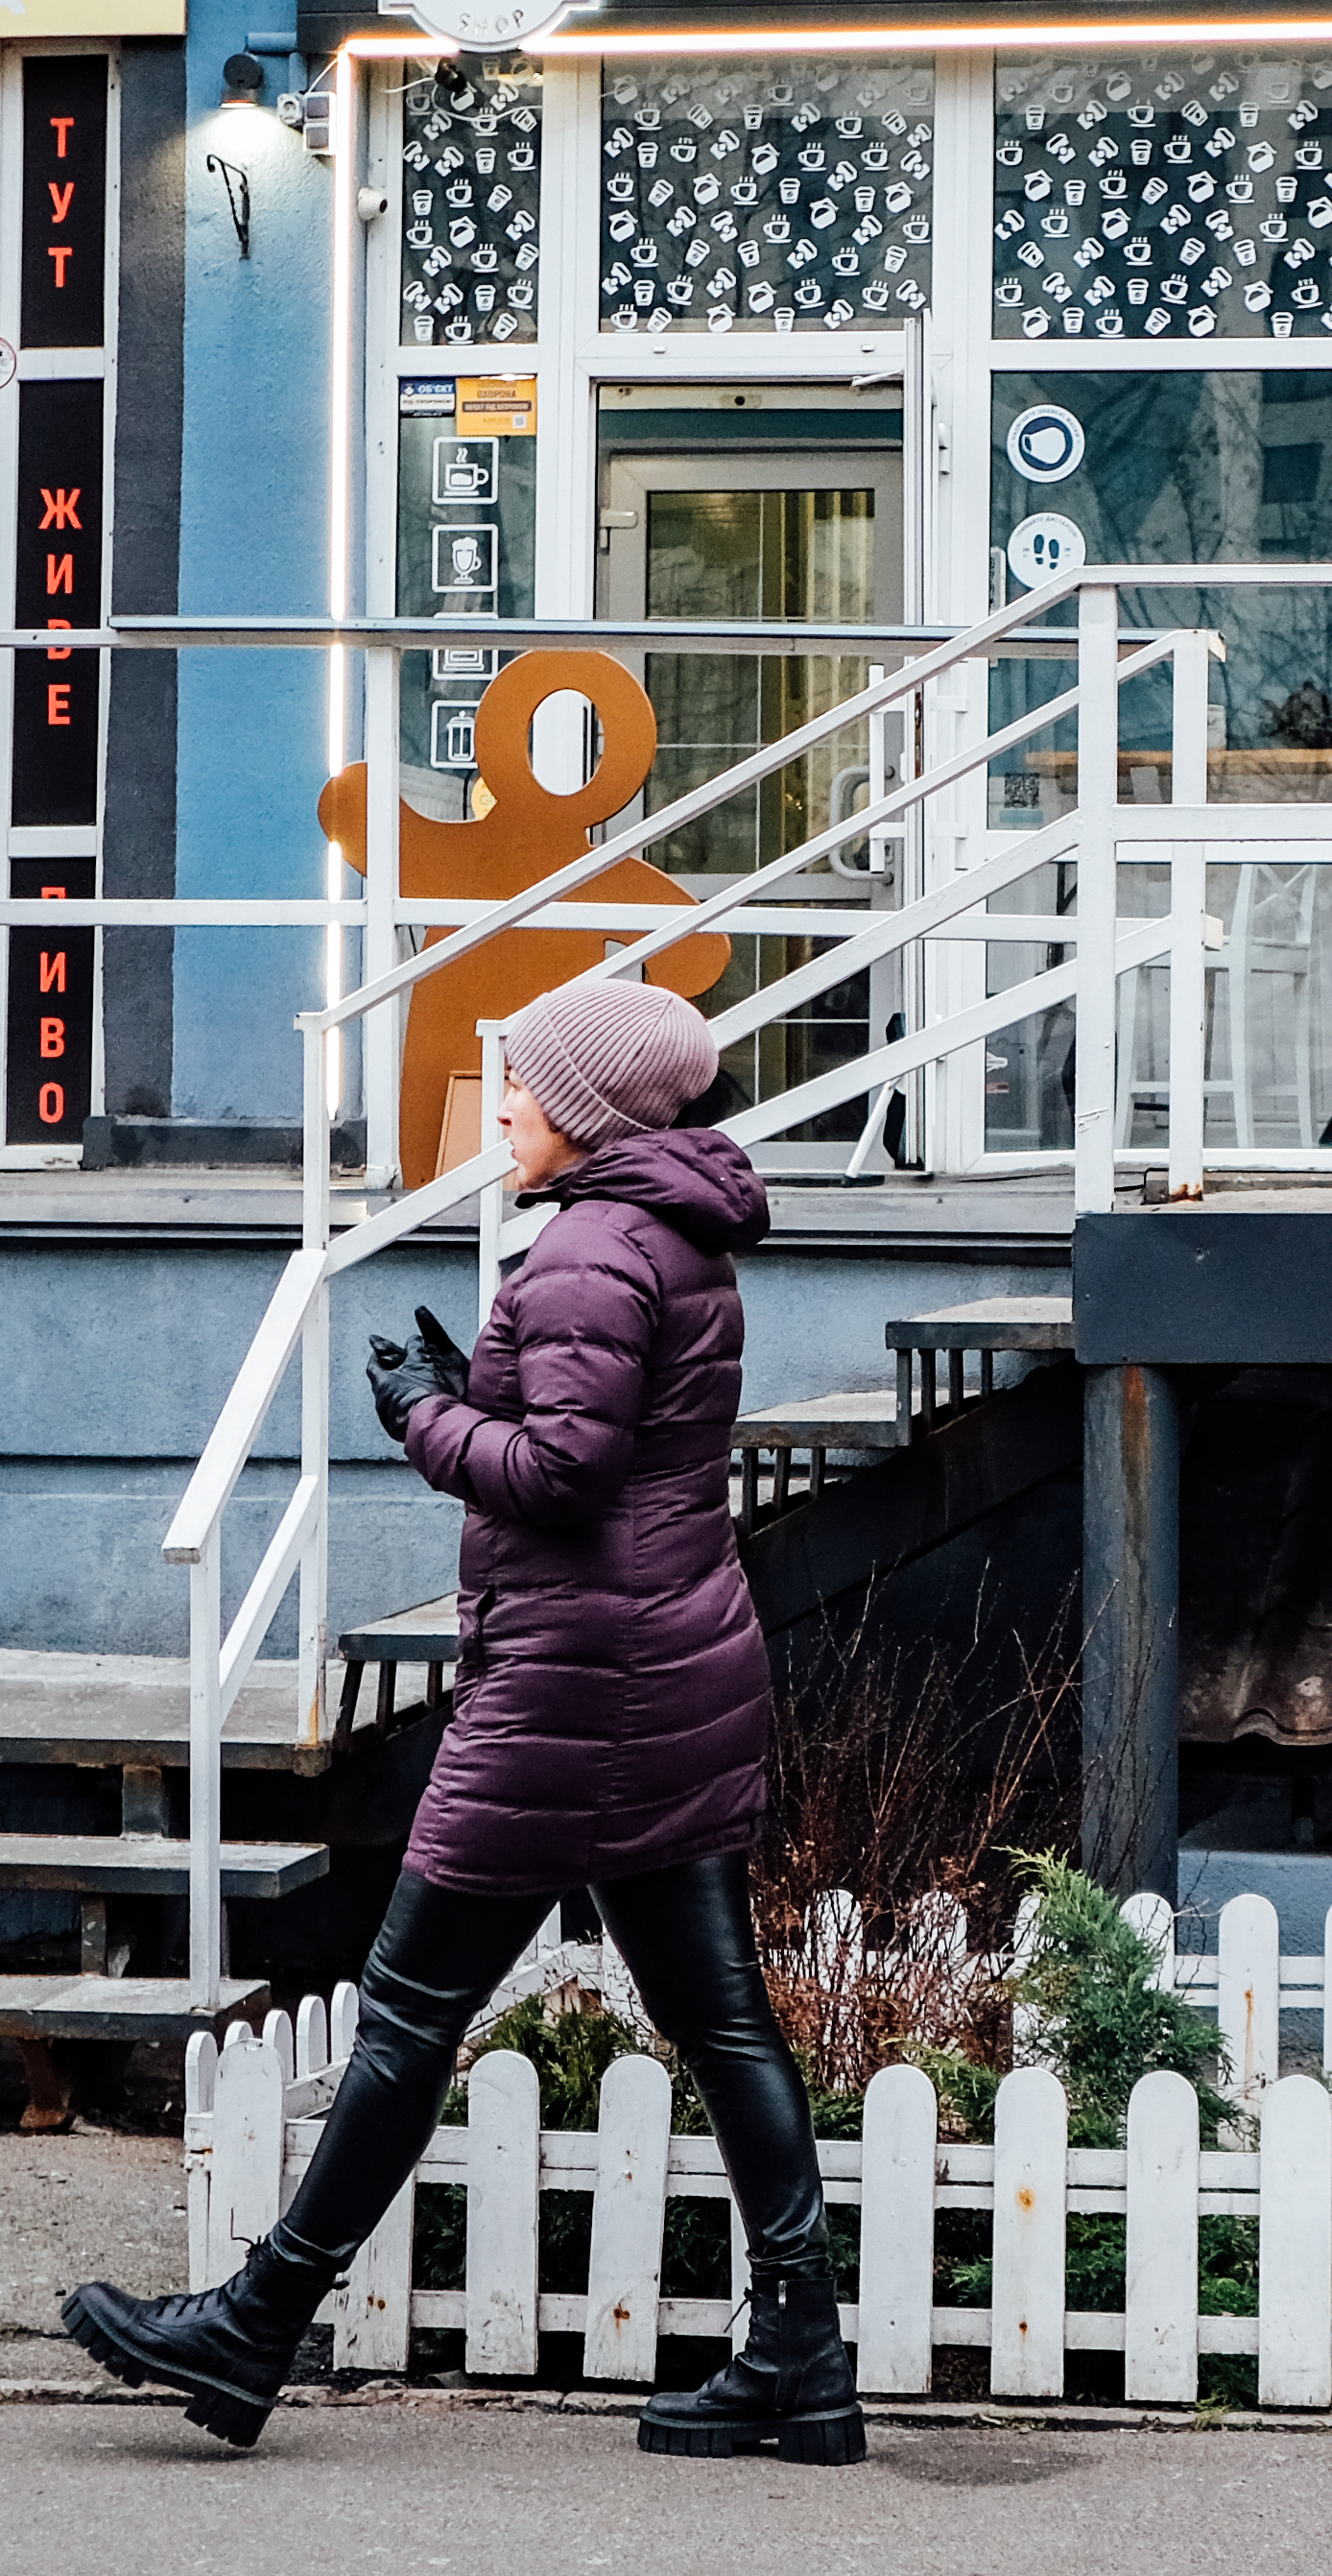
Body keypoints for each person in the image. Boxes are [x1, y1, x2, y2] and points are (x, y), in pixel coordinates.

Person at [59, 971, 856, 2466]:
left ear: (593, 1107)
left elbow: (556, 1477)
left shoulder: (586, 1259)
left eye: (523, 1084)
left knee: (410, 2013)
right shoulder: (675, 1236)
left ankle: (254, 2327)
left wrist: (424, 1411)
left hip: (571, 1688)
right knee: (722, 2020)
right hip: (668, 1666)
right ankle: (802, 2356)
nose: (501, 1103)